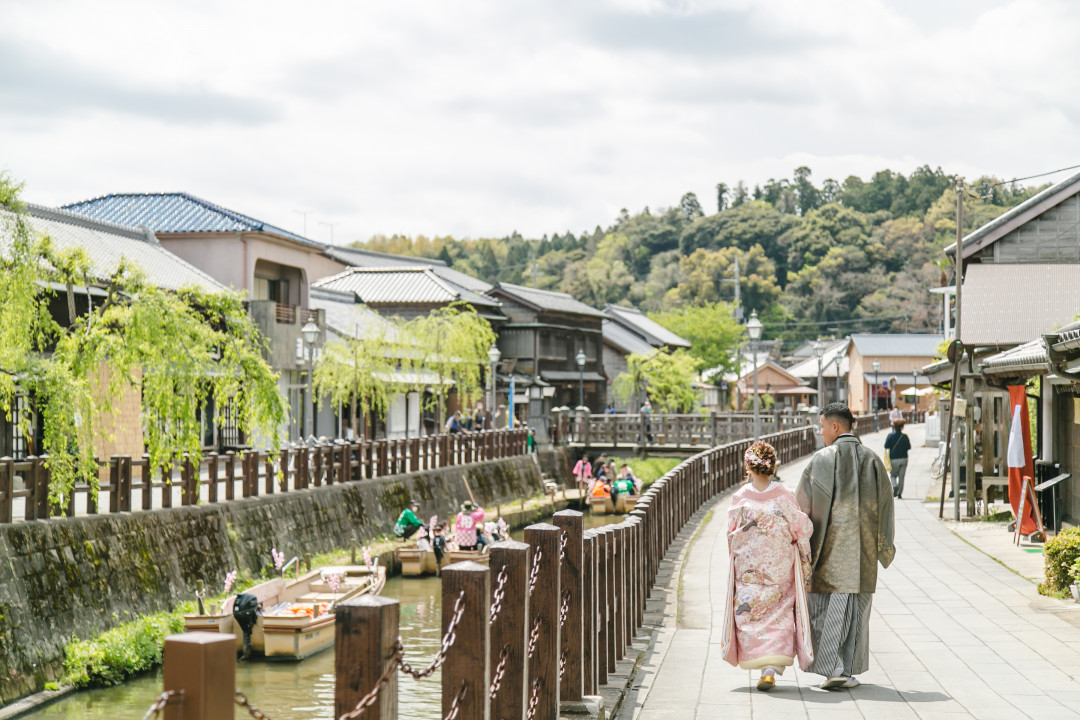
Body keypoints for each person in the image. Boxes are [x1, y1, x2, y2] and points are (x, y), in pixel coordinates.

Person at [796, 403, 895, 690]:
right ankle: (844, 668)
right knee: (854, 616)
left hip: (825, 555)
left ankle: (834, 667)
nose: (820, 431)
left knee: (825, 613)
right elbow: (887, 508)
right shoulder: (873, 460)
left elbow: (802, 509)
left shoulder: (820, 460)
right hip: (863, 557)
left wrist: (798, 548)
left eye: (822, 426)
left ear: (835, 427)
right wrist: (884, 547)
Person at [721, 441, 814, 691]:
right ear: (772, 466)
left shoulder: (741, 497)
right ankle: (770, 669)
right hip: (779, 569)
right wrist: (805, 556)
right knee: (780, 612)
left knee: (751, 612)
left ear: (748, 466)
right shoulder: (783, 494)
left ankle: (763, 665)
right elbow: (801, 527)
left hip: (749, 571)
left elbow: (731, 534)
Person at [884, 419, 911, 499]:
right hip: (904, 458)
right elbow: (909, 447)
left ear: (894, 427)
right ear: (902, 427)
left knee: (892, 475)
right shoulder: (904, 436)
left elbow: (886, 446)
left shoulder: (890, 436)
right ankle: (899, 493)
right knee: (901, 477)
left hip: (893, 458)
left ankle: (894, 486)